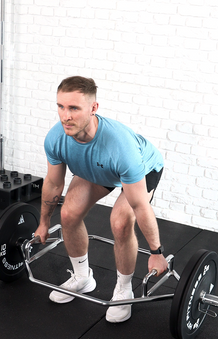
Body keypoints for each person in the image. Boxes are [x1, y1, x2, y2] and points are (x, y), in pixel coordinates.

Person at [35, 76, 168, 323]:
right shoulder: (56, 138)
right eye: (61, 106)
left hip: (142, 168)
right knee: (68, 214)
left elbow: (140, 205)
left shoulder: (121, 147)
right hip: (98, 167)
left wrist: (156, 252)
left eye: (74, 108)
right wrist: (43, 223)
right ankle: (82, 277)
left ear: (93, 108)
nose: (65, 116)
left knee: (120, 221)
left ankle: (124, 290)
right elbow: (53, 183)